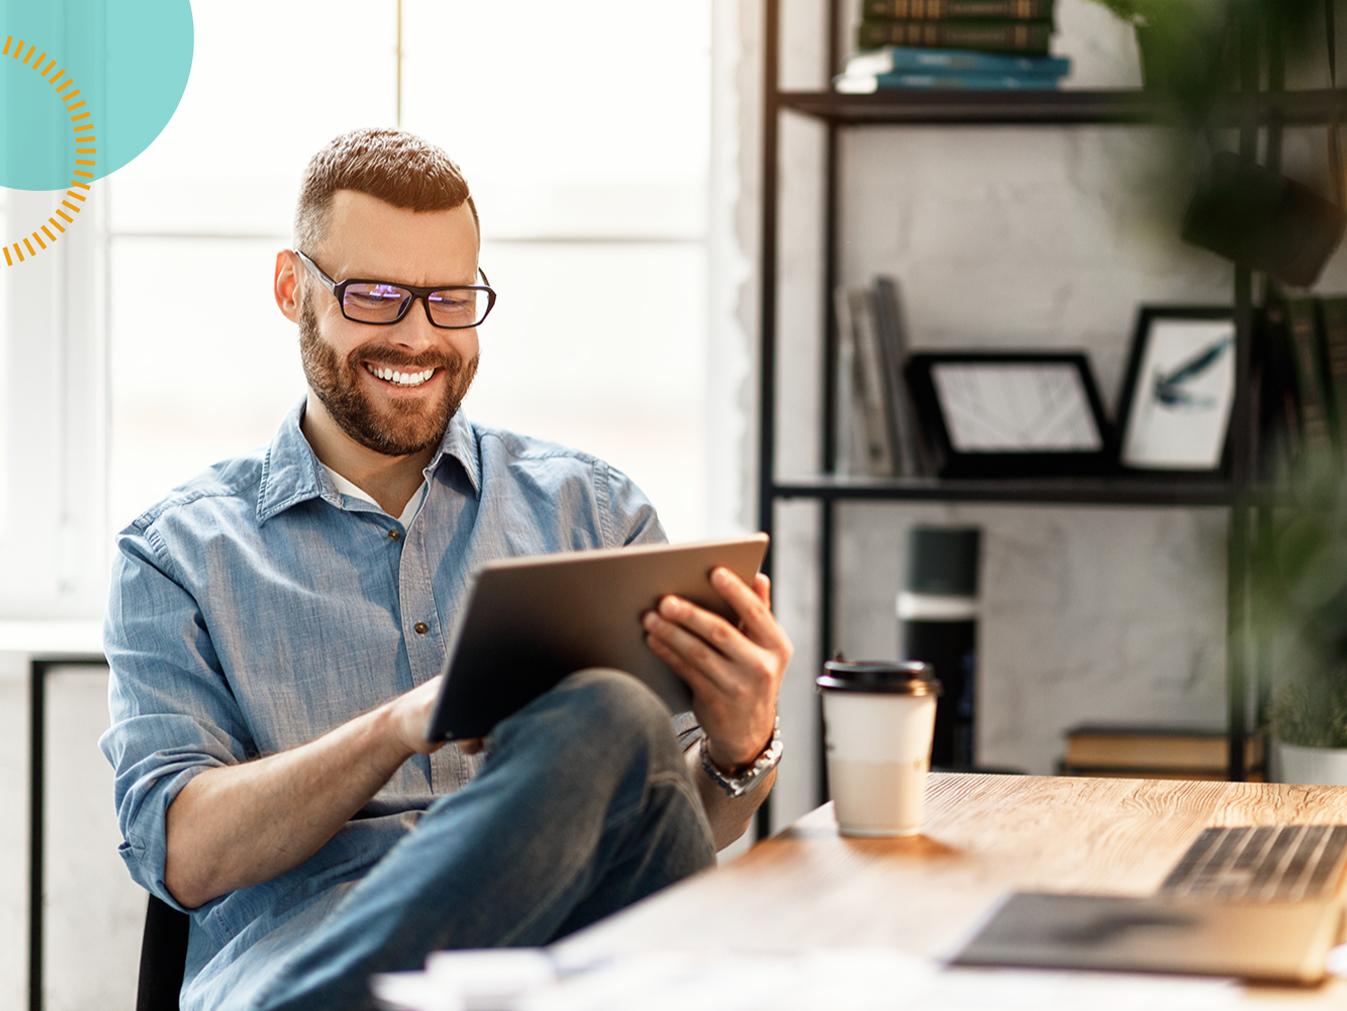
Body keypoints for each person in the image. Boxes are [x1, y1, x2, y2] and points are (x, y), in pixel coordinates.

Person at [99, 128, 793, 1011]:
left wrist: (738, 747)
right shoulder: (178, 555)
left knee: (618, 735)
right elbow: (182, 855)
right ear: (292, 288)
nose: (419, 336)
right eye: (376, 294)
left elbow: (660, 837)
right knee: (611, 710)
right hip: (312, 969)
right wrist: (397, 725)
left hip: (559, 969)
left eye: (450, 298)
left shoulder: (594, 513)